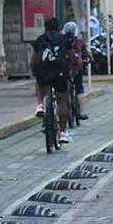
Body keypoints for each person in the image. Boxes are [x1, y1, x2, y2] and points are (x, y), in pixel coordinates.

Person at [32, 17, 72, 145]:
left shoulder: (40, 39)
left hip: (44, 70)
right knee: (62, 99)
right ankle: (62, 133)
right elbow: (70, 56)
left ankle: (40, 105)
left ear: (45, 27)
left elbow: (35, 57)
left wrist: (34, 70)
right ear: (58, 27)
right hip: (60, 70)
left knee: (39, 82)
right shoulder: (64, 39)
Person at [62, 21, 90, 122]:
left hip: (64, 68)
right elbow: (86, 53)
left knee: (62, 89)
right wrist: (90, 59)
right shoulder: (80, 41)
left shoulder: (61, 40)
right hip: (77, 67)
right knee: (79, 87)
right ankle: (81, 112)